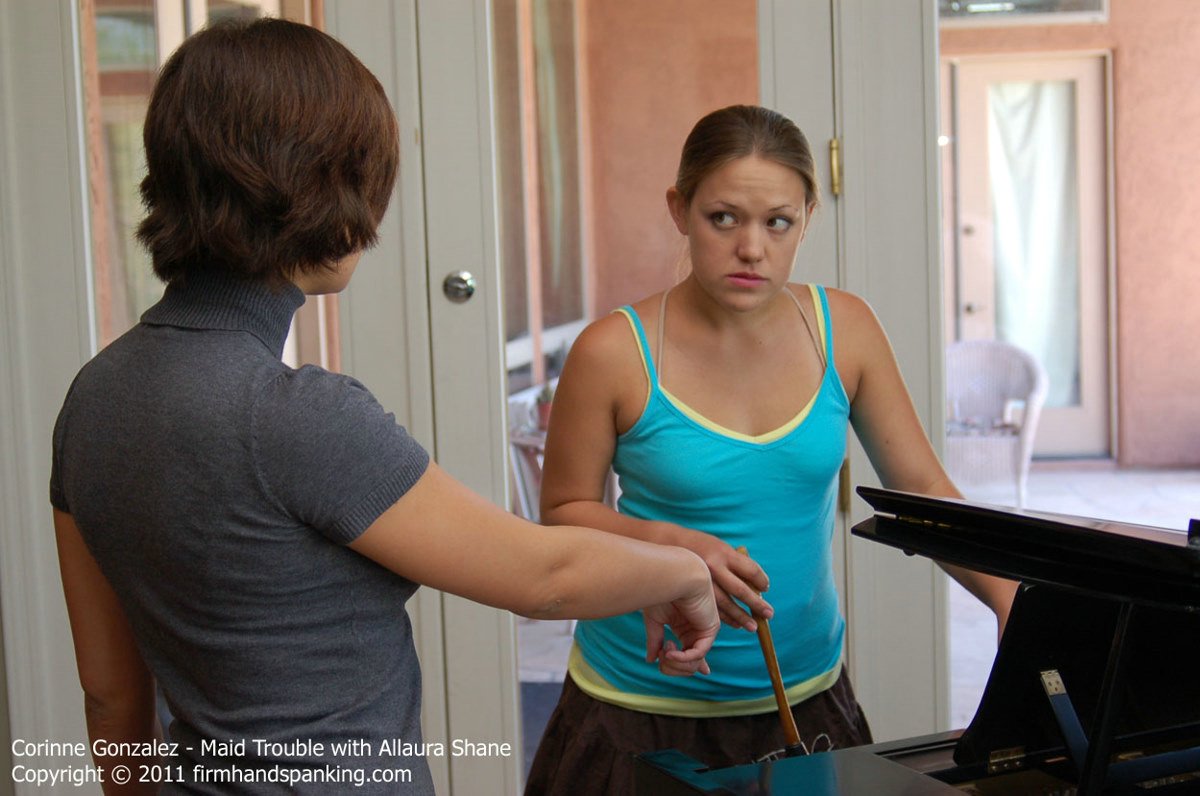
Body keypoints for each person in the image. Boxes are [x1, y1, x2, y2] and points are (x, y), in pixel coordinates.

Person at [49, 19, 719, 796]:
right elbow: (544, 577)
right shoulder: (297, 416)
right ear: (317, 189)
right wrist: (684, 572)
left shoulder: (92, 400)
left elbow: (110, 696)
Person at [525, 104, 1018, 794]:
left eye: (777, 222)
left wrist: (1010, 600)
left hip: (806, 701)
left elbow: (924, 492)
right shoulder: (612, 350)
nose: (751, 248)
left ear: (807, 218)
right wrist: (677, 547)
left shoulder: (845, 330)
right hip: (634, 710)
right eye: (723, 218)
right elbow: (564, 513)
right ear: (679, 210)